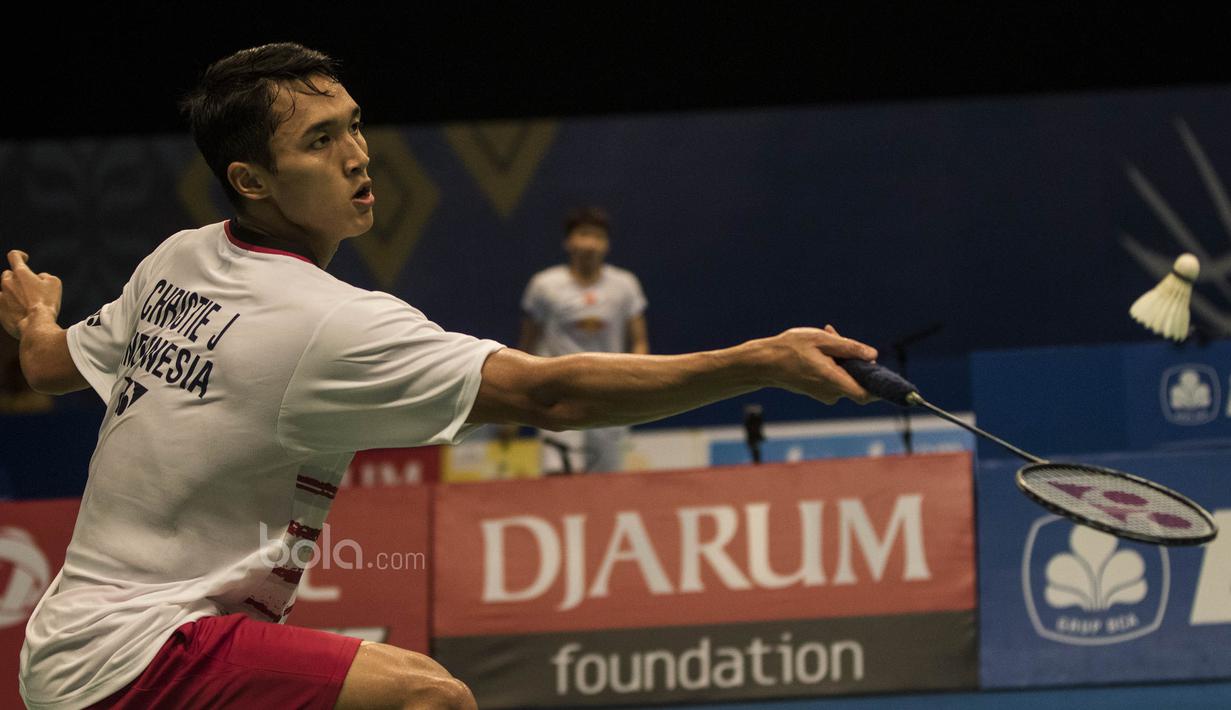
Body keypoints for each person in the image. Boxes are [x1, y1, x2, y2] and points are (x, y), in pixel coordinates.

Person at [0, 43, 876, 710]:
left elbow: (48, 364)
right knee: (428, 697)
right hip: (137, 655)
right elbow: (549, 393)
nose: (357, 155)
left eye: (353, 125)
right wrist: (758, 362)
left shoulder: (178, 259)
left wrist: (38, 313)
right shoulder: (330, 322)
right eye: (319, 141)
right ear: (251, 180)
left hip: (74, 647)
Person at [516, 206, 648, 473]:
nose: (590, 244)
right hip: (559, 398)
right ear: (568, 242)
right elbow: (526, 345)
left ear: (607, 244)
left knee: (607, 484)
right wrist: (518, 400)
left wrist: (635, 384)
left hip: (609, 397)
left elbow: (639, 342)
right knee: (558, 478)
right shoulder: (544, 285)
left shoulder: (625, 285)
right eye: (584, 235)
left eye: (598, 237)